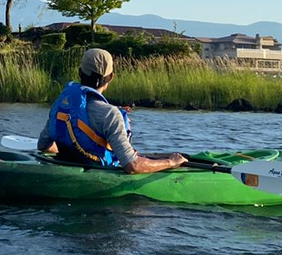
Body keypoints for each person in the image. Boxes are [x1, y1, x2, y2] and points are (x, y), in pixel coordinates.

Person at [37, 47, 188, 174]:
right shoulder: (110, 114)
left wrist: (72, 152)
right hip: (100, 181)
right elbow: (133, 166)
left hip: (68, 169)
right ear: (111, 77)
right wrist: (171, 162)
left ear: (79, 72)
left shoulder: (61, 105)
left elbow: (44, 146)